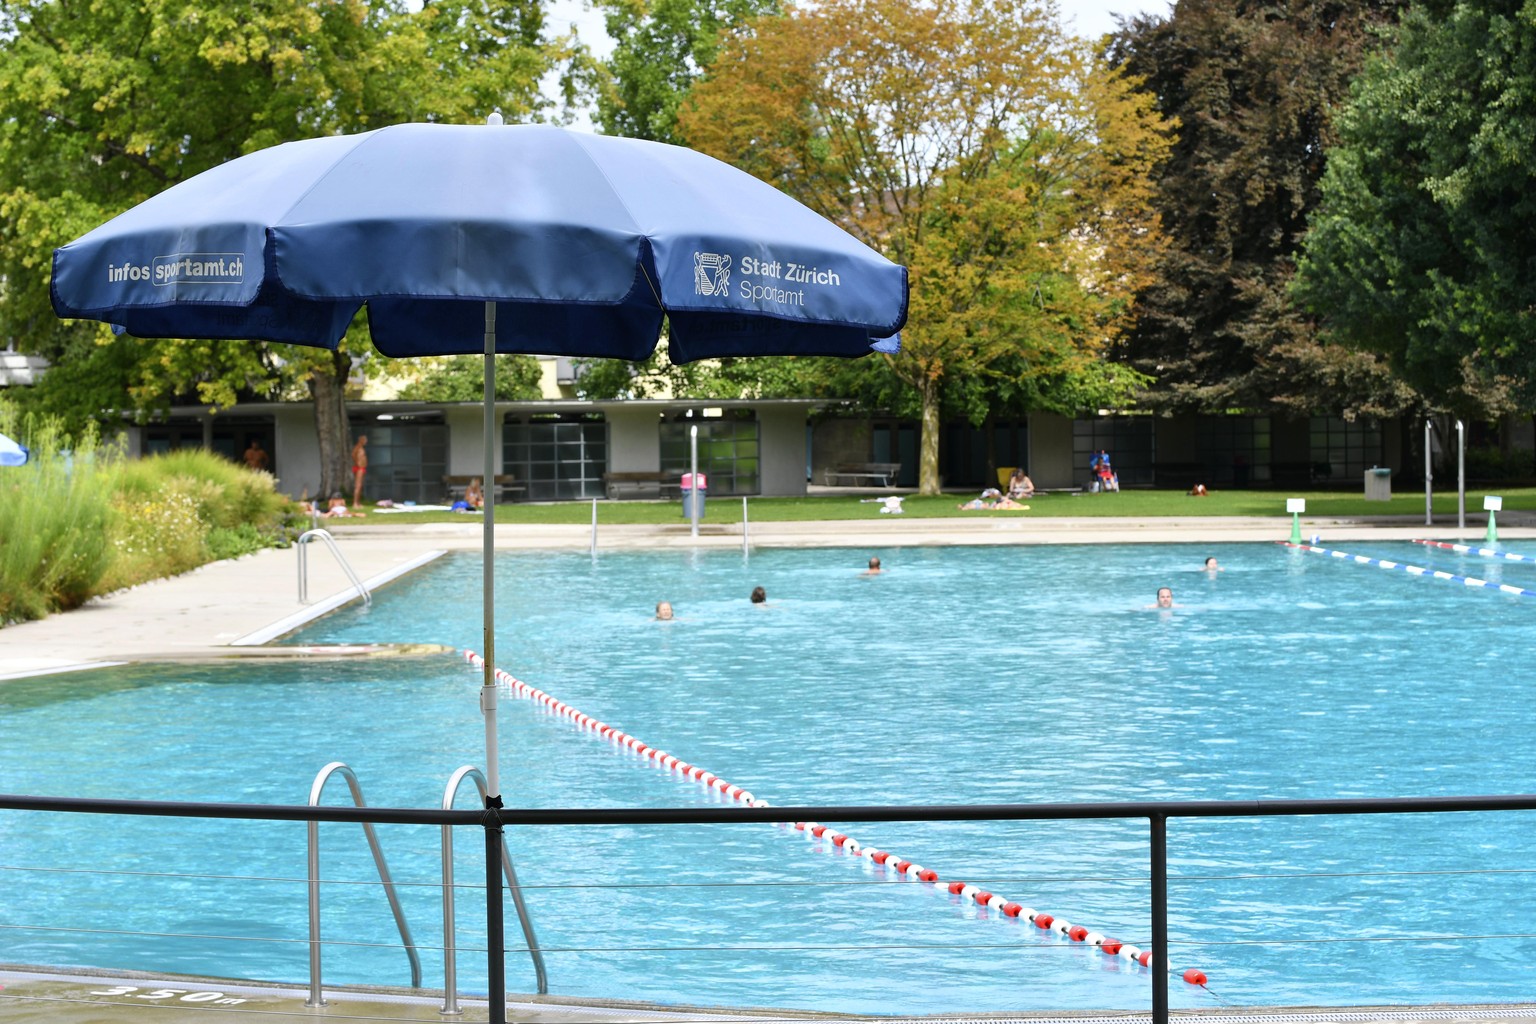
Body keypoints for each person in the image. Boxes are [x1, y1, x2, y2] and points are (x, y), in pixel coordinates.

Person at [350, 434, 368, 508]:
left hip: (362, 468)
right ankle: (355, 503)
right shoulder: (357, 447)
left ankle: (358, 502)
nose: (366, 441)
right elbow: (353, 454)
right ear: (361, 440)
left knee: (360, 486)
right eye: (365, 440)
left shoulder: (361, 448)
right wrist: (357, 462)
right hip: (359, 468)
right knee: (358, 486)